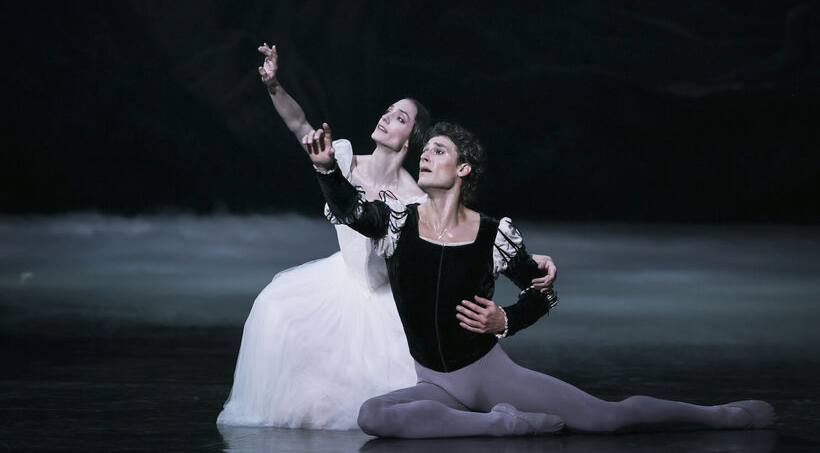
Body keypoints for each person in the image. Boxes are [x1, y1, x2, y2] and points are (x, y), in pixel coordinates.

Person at [306, 120, 777, 438]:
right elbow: (350, 209)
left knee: (606, 419)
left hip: (490, 377)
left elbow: (543, 290)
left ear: (462, 168)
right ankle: (499, 426)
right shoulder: (396, 222)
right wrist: (327, 168)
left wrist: (504, 320)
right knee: (373, 415)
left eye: (439, 150)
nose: (425, 156)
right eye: (424, 150)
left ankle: (719, 416)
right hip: (433, 382)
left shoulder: (493, 235)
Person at [216, 44, 558, 429]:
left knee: (424, 392)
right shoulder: (341, 157)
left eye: (398, 118)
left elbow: (452, 237)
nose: (385, 119)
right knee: (278, 316)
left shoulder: (414, 198)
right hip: (335, 285)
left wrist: (521, 257)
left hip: (388, 302)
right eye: (387, 112)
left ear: (412, 138)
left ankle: (493, 417)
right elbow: (300, 126)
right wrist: (274, 84)